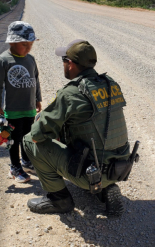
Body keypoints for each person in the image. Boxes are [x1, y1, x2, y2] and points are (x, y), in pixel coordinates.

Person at [22, 39, 131, 216]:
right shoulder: (110, 83)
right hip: (119, 166)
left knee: (29, 140)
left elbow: (37, 134)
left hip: (92, 170)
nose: (63, 65)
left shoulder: (72, 93)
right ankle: (105, 188)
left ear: (71, 64)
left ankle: (59, 200)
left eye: (64, 61)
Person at [0, 21, 42, 183]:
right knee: (13, 140)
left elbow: (36, 80)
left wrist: (38, 98)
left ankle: (26, 162)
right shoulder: (4, 60)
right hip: (13, 110)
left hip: (29, 109)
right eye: (24, 44)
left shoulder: (31, 59)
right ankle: (14, 167)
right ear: (12, 42)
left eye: (31, 44)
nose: (28, 48)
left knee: (27, 137)